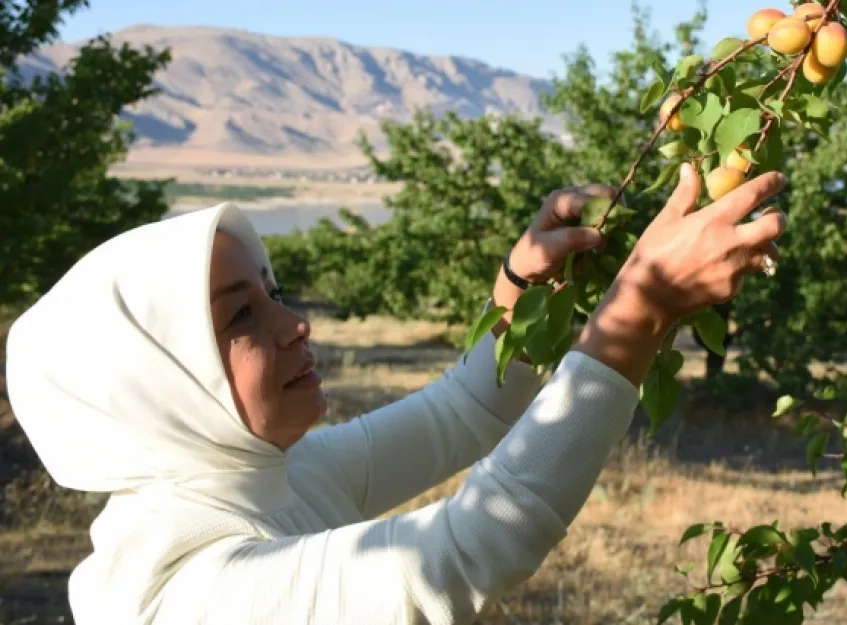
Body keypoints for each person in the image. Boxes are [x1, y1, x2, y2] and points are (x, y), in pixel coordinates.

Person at [4, 162, 786, 624]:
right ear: (158, 385)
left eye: (274, 291)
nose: (296, 324)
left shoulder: (263, 479)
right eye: (242, 314)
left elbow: (461, 413)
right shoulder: (182, 592)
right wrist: (638, 310)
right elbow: (458, 552)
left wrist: (516, 296)